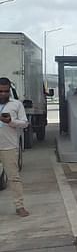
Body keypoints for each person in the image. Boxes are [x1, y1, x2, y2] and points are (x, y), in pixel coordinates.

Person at [0, 77, 29, 217]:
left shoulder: (16, 105)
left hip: (9, 146)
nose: (3, 94)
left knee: (13, 177)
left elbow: (24, 123)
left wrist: (11, 121)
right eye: (0, 91)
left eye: (6, 91)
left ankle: (19, 206)